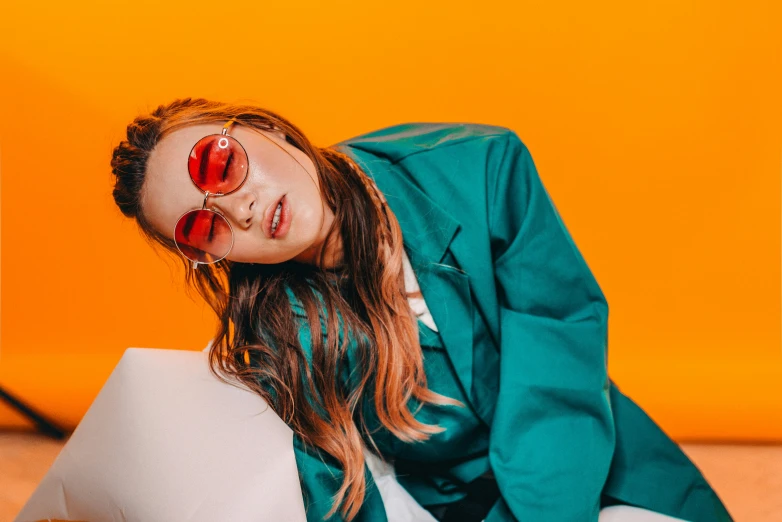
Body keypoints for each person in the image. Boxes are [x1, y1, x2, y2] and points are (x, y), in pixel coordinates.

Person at [110, 97, 734, 522]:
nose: (236, 210)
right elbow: (343, 496)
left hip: (582, 460)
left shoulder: (479, 167)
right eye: (201, 228)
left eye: (220, 166)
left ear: (259, 128)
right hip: (441, 506)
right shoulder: (277, 338)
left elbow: (554, 369)